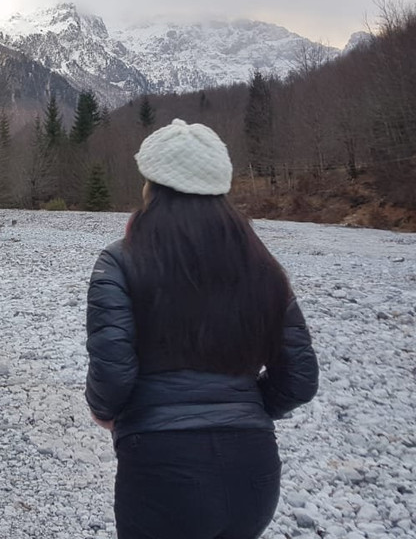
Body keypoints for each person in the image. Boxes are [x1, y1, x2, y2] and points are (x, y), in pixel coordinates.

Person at [85, 118, 318, 539]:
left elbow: (114, 369)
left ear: (152, 185)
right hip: (254, 470)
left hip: (161, 464)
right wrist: (247, 406)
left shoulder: (120, 260)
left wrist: (105, 411)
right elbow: (300, 379)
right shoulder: (262, 265)